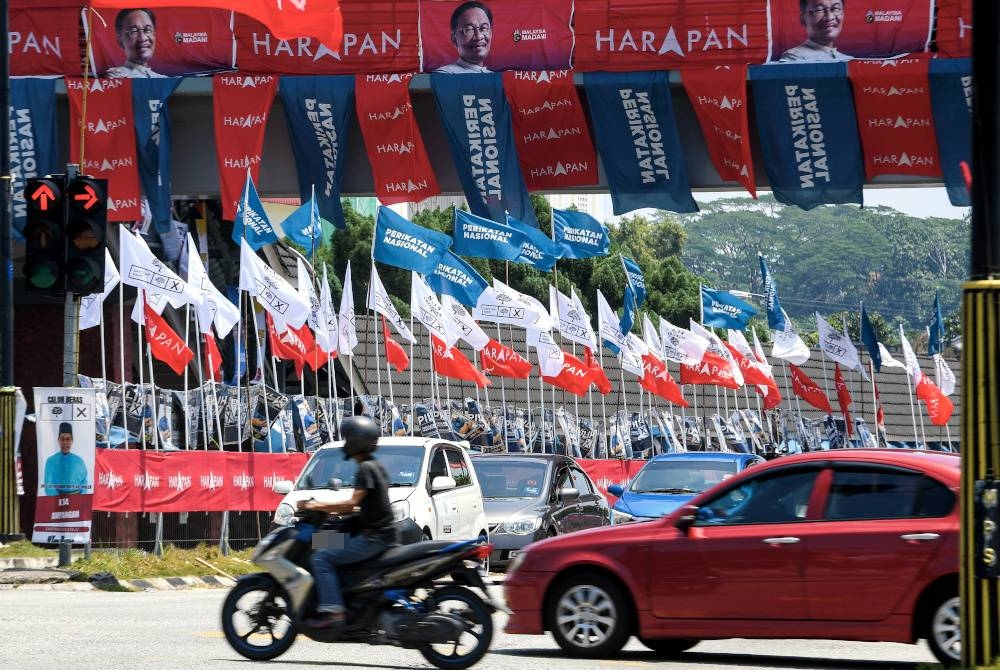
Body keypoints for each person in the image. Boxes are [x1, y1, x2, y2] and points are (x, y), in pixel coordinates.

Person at [297, 416, 399, 629]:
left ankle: (334, 611)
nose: (345, 443)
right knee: (318, 541)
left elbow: (350, 503)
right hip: (375, 534)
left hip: (373, 538)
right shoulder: (376, 466)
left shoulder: (365, 468)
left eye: (347, 439)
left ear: (355, 441)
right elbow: (363, 505)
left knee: (321, 558)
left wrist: (315, 506)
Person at [779, 0, 852, 62]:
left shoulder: (849, 61)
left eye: (835, 9)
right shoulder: (794, 58)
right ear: (803, 18)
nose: (829, 17)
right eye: (819, 10)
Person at [434, 1, 493, 74]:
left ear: (491, 34)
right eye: (469, 29)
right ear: (454, 38)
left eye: (483, 28)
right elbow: (418, 82)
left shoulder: (495, 77)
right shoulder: (443, 74)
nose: (479, 36)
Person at [105, 8, 166, 78]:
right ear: (120, 41)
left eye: (148, 30)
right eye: (134, 31)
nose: (143, 38)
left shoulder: (163, 79)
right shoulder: (116, 78)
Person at [43, 423, 89, 496]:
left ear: (72, 441)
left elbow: (84, 481)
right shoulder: (51, 460)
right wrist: (59, 500)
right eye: (62, 439)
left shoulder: (79, 461)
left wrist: (80, 498)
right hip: (57, 499)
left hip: (76, 499)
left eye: (68, 439)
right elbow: (48, 484)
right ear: (58, 440)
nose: (65, 442)